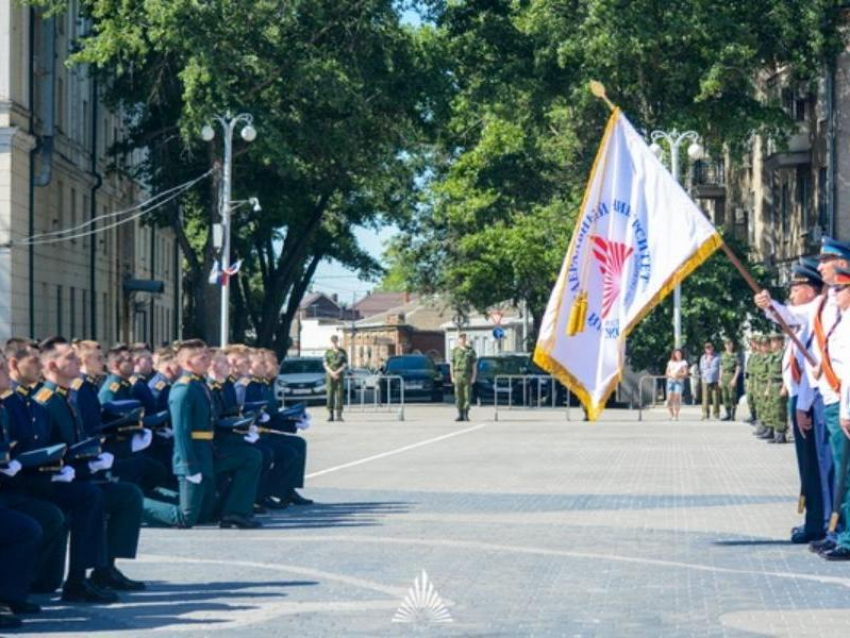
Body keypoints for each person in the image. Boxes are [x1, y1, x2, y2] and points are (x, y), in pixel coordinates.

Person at [755, 236, 850, 557]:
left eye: (826, 261)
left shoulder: (839, 308)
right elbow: (789, 316)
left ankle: (838, 531)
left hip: (838, 399)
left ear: (842, 268)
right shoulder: (821, 307)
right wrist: (769, 305)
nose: (821, 265)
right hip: (828, 399)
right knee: (832, 469)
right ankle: (834, 530)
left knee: (839, 470)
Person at [34, 336, 146, 591]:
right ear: (51, 365)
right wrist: (84, 467)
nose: (77, 362)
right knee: (89, 496)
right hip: (52, 481)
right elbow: (46, 449)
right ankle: (77, 580)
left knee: (127, 495)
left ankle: (105, 567)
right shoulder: (46, 400)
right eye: (70, 358)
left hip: (77, 475)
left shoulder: (68, 396)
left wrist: (94, 460)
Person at [164, 339, 262, 529]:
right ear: (187, 363)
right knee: (187, 518)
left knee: (251, 457)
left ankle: (235, 512)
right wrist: (188, 466)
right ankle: (138, 501)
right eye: (202, 358)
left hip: (208, 453)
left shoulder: (199, 385)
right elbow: (182, 433)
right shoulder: (183, 389)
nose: (208, 362)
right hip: (193, 458)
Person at [783, 261, 825, 543]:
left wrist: (801, 404)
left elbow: (813, 369)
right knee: (807, 466)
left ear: (810, 291)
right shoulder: (802, 319)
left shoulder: (813, 314)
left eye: (796, 288)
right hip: (799, 395)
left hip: (808, 398)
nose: (792, 294)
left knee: (814, 465)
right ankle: (814, 520)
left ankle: (819, 523)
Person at [450, 333, 477, 422]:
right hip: (458, 374)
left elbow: (474, 365)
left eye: (464, 339)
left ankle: (466, 414)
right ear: (458, 340)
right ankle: (460, 414)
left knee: (467, 395)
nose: (463, 340)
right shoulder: (455, 351)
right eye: (461, 339)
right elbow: (452, 364)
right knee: (458, 395)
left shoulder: (470, 351)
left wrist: (473, 376)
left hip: (467, 374)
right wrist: (452, 376)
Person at [323, 335, 347, 422]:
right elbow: (325, 364)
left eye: (336, 341)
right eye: (333, 341)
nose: (335, 342)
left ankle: (339, 415)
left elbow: (344, 364)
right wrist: (332, 373)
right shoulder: (328, 352)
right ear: (331, 341)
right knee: (330, 394)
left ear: (338, 341)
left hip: (339, 375)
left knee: (339, 394)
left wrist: (337, 372)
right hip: (330, 375)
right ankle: (330, 414)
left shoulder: (342, 352)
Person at [699, 342, 721, 420]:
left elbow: (720, 368)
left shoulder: (717, 357)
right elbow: (701, 368)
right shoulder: (702, 357)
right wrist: (703, 376)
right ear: (705, 349)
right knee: (705, 398)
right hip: (705, 379)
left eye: (709, 347)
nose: (708, 349)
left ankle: (716, 413)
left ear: (712, 348)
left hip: (715, 379)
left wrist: (720, 379)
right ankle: (705, 413)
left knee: (715, 397)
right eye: (706, 348)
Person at [720, 339, 741, 421]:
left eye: (730, 344)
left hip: (731, 375)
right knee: (725, 396)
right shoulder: (723, 355)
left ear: (732, 345)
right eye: (726, 344)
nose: (728, 346)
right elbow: (721, 368)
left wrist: (735, 379)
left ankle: (733, 414)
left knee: (732, 396)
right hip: (724, 376)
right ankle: (727, 414)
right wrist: (720, 379)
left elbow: (738, 368)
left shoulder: (735, 355)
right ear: (725, 345)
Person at [665, 348, 688, 420]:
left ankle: (676, 415)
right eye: (676, 353)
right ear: (674, 354)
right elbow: (667, 372)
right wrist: (670, 375)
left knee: (676, 399)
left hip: (678, 382)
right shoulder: (670, 362)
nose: (678, 354)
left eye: (679, 353)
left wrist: (678, 375)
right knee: (669, 400)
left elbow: (685, 373)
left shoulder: (683, 362)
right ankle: (672, 414)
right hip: (670, 381)